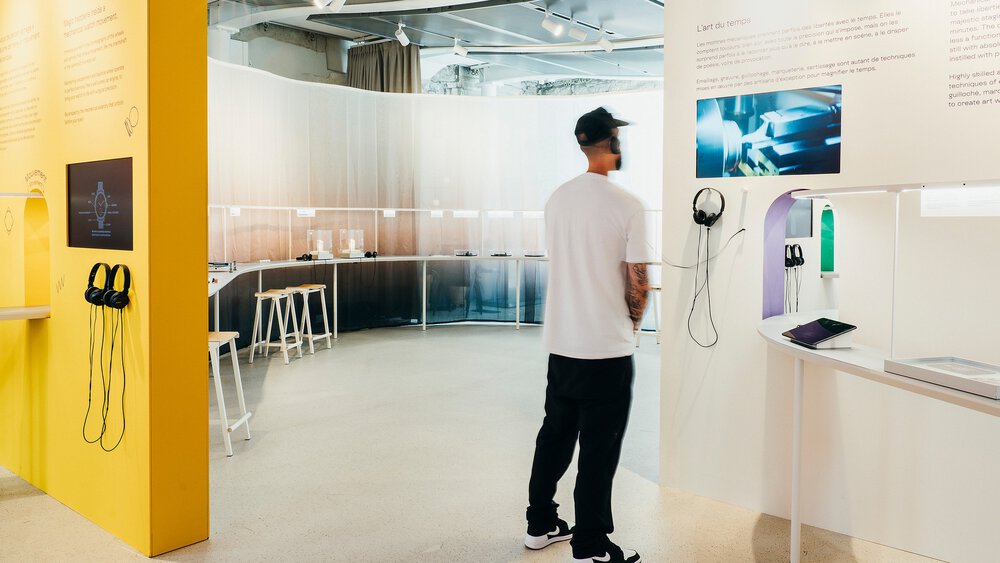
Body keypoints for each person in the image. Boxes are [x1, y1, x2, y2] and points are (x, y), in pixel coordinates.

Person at [524, 107, 650, 563]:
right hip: (606, 348)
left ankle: (540, 524)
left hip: (562, 342)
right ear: (612, 140)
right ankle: (591, 544)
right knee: (599, 449)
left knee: (554, 436)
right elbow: (637, 281)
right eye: (619, 135)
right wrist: (631, 325)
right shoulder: (628, 205)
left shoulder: (558, 198)